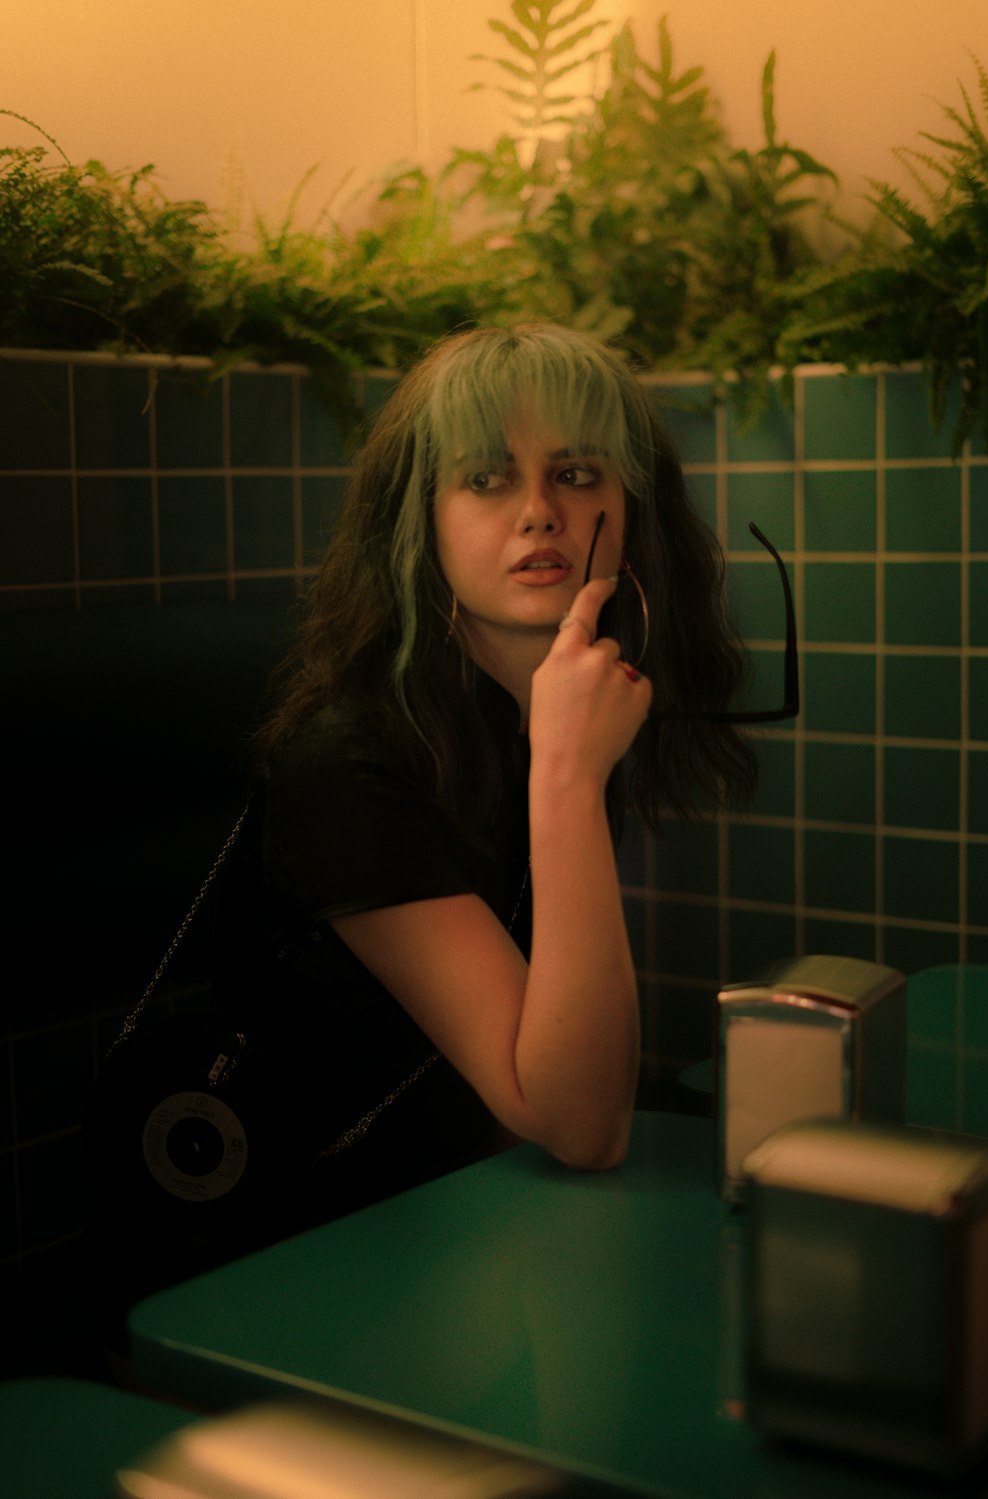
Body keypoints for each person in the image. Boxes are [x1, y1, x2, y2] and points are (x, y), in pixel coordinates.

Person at [88, 323, 756, 1367]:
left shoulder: (553, 703)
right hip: (295, 1285)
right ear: (421, 520)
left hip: (472, 1235)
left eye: (574, 472)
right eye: (486, 477)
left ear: (629, 515)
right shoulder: (347, 759)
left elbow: (541, 1119)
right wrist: (569, 779)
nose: (539, 509)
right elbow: (578, 1120)